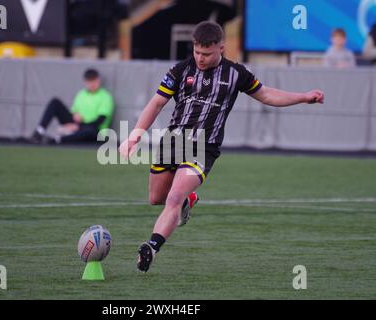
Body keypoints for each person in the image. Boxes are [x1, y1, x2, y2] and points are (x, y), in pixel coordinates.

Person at [119, 21, 324, 273]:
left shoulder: (236, 73)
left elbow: (268, 95)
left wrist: (303, 97)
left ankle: (151, 246)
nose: (200, 58)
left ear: (221, 48)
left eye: (206, 53)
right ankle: (187, 202)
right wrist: (134, 136)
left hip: (204, 146)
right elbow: (156, 104)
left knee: (173, 197)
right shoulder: (180, 70)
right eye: (196, 52)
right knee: (157, 198)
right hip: (174, 141)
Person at [30, 68, 114, 144]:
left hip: (94, 129)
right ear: (85, 82)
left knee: (89, 131)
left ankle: (57, 139)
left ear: (98, 81)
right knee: (55, 102)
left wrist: (78, 126)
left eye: (94, 81)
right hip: (77, 125)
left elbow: (100, 121)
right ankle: (39, 132)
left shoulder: (106, 97)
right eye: (89, 81)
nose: (92, 84)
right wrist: (74, 118)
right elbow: (73, 112)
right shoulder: (81, 94)